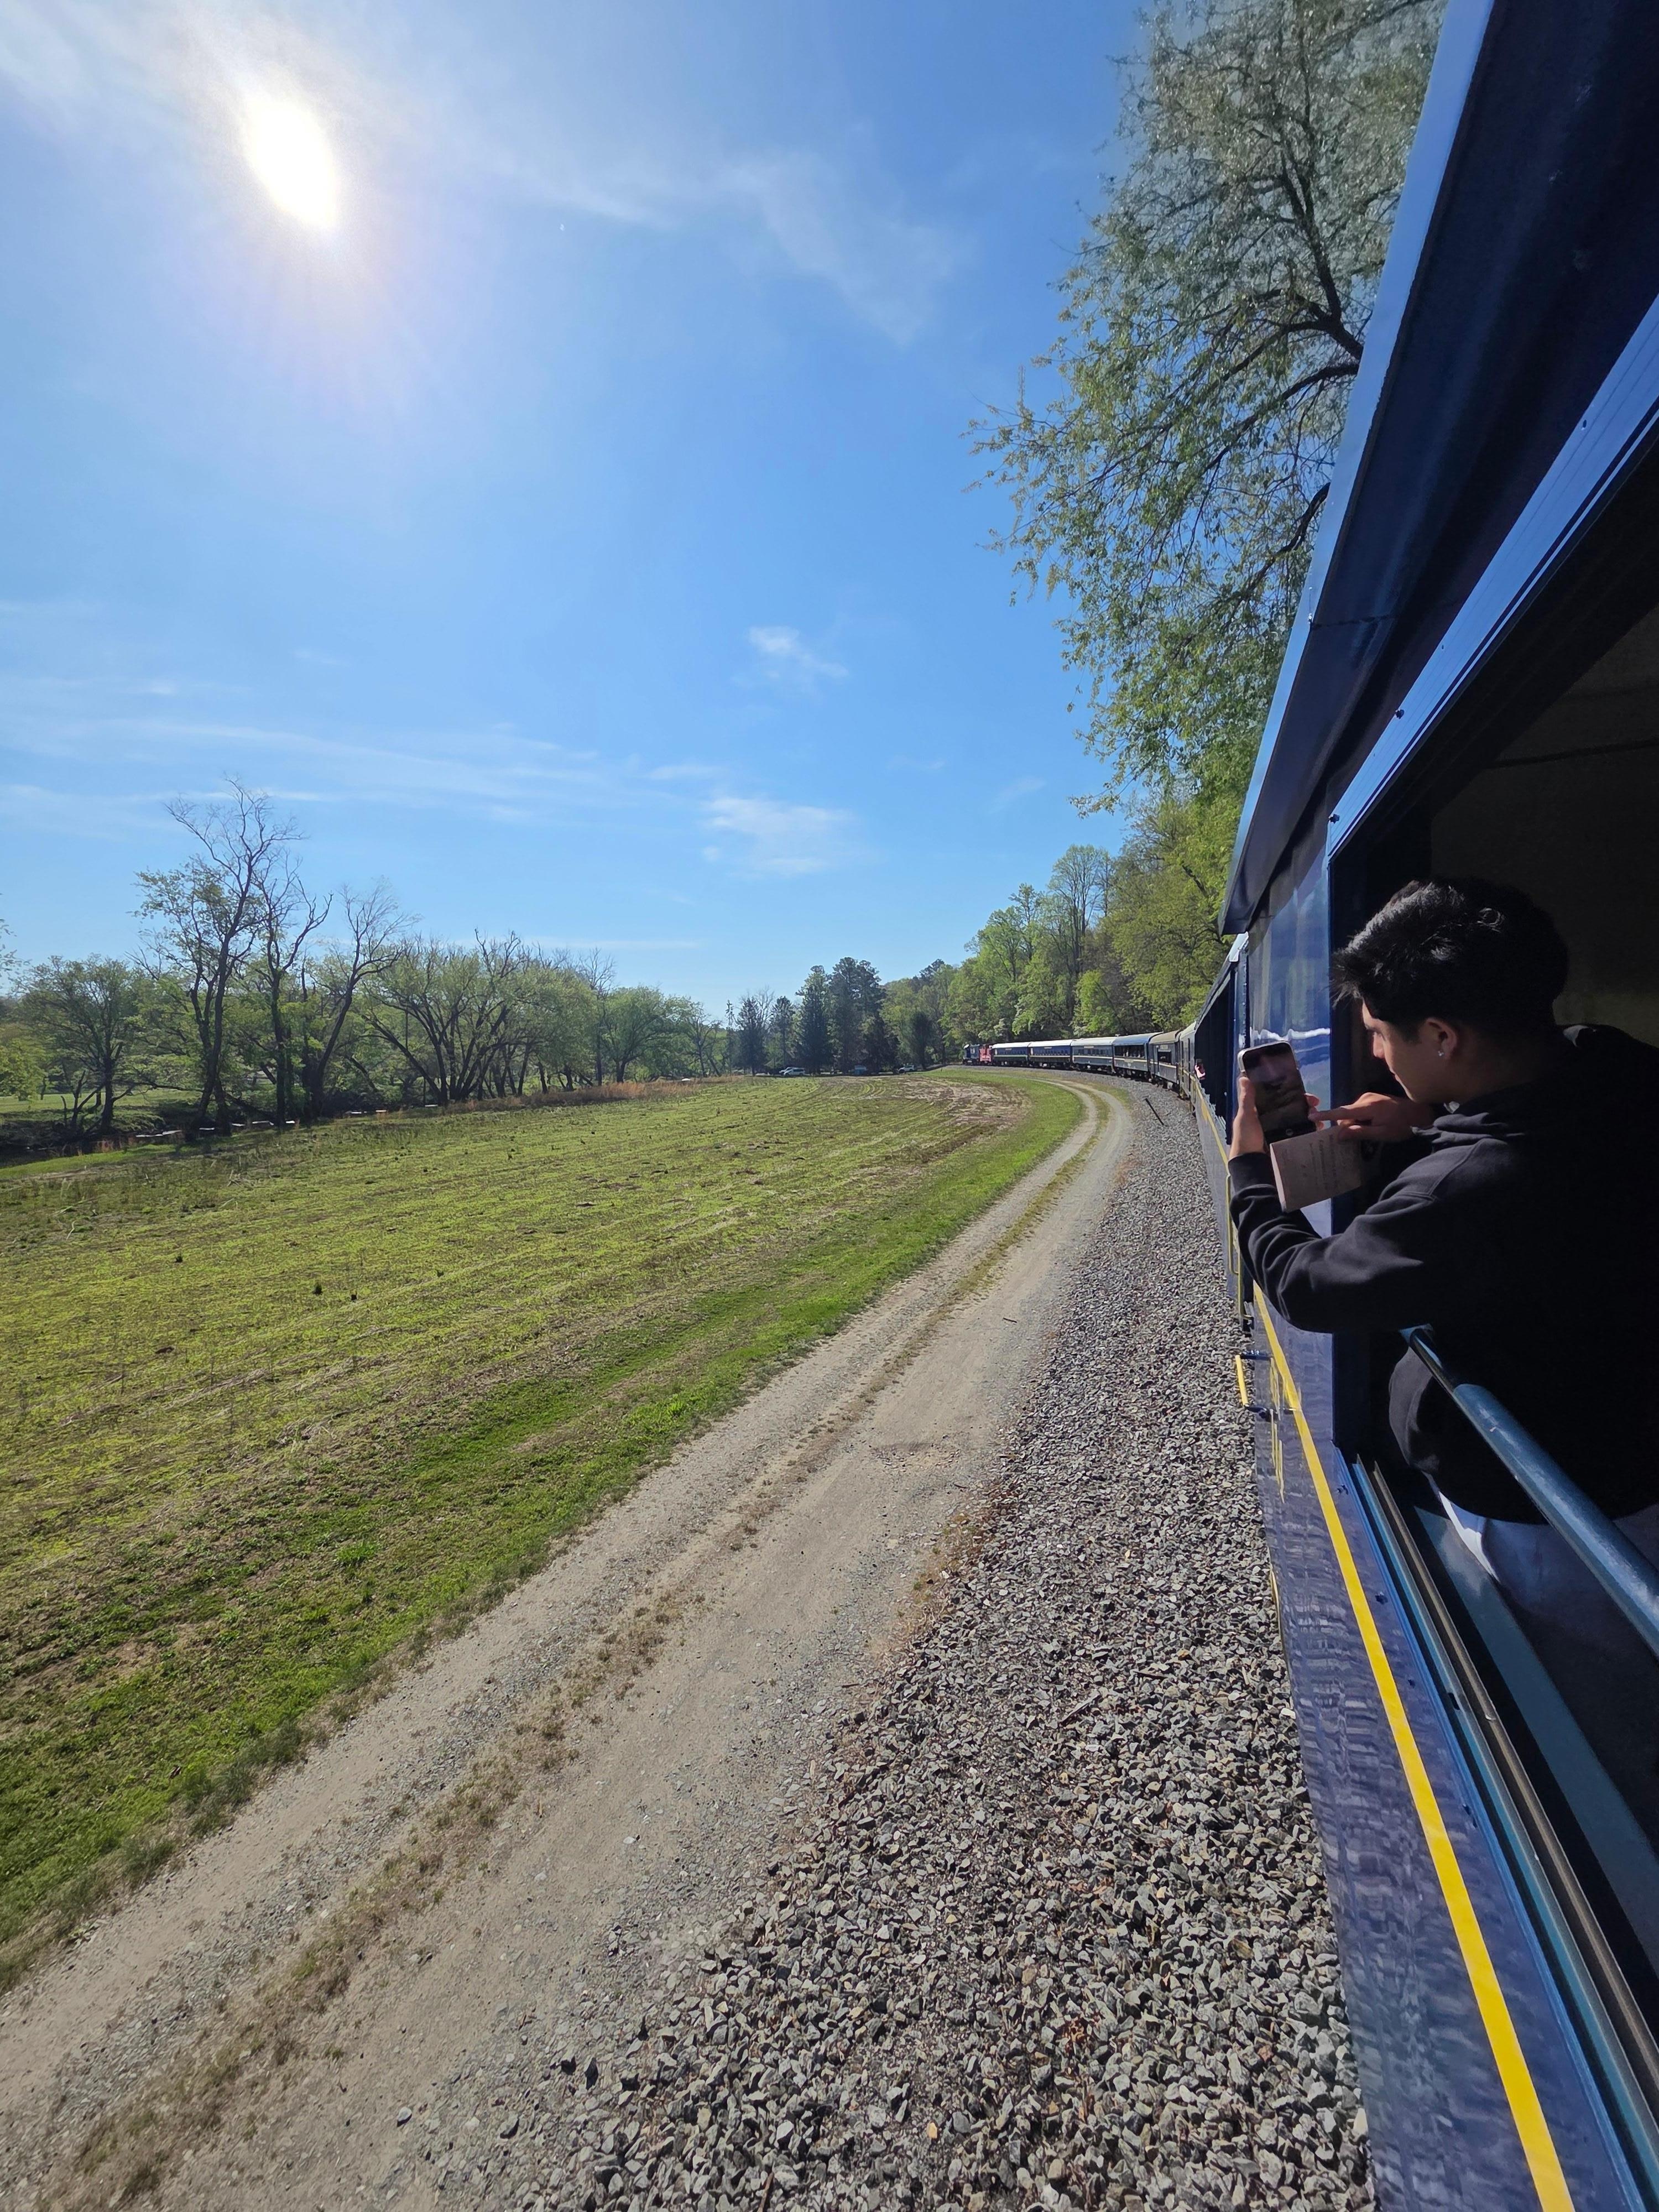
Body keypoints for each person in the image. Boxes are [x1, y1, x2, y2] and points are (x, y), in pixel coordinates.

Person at [1228, 877, 1659, 1814]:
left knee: (1605, 1751)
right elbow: (1538, 1120)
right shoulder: (1616, 1064)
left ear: (1444, 1038)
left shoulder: (1463, 1192)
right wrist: (1423, 1119)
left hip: (1552, 1530)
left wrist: (1251, 1179)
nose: (1372, 1051)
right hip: (1635, 1444)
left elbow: (1308, 1285)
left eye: (1381, 1033)